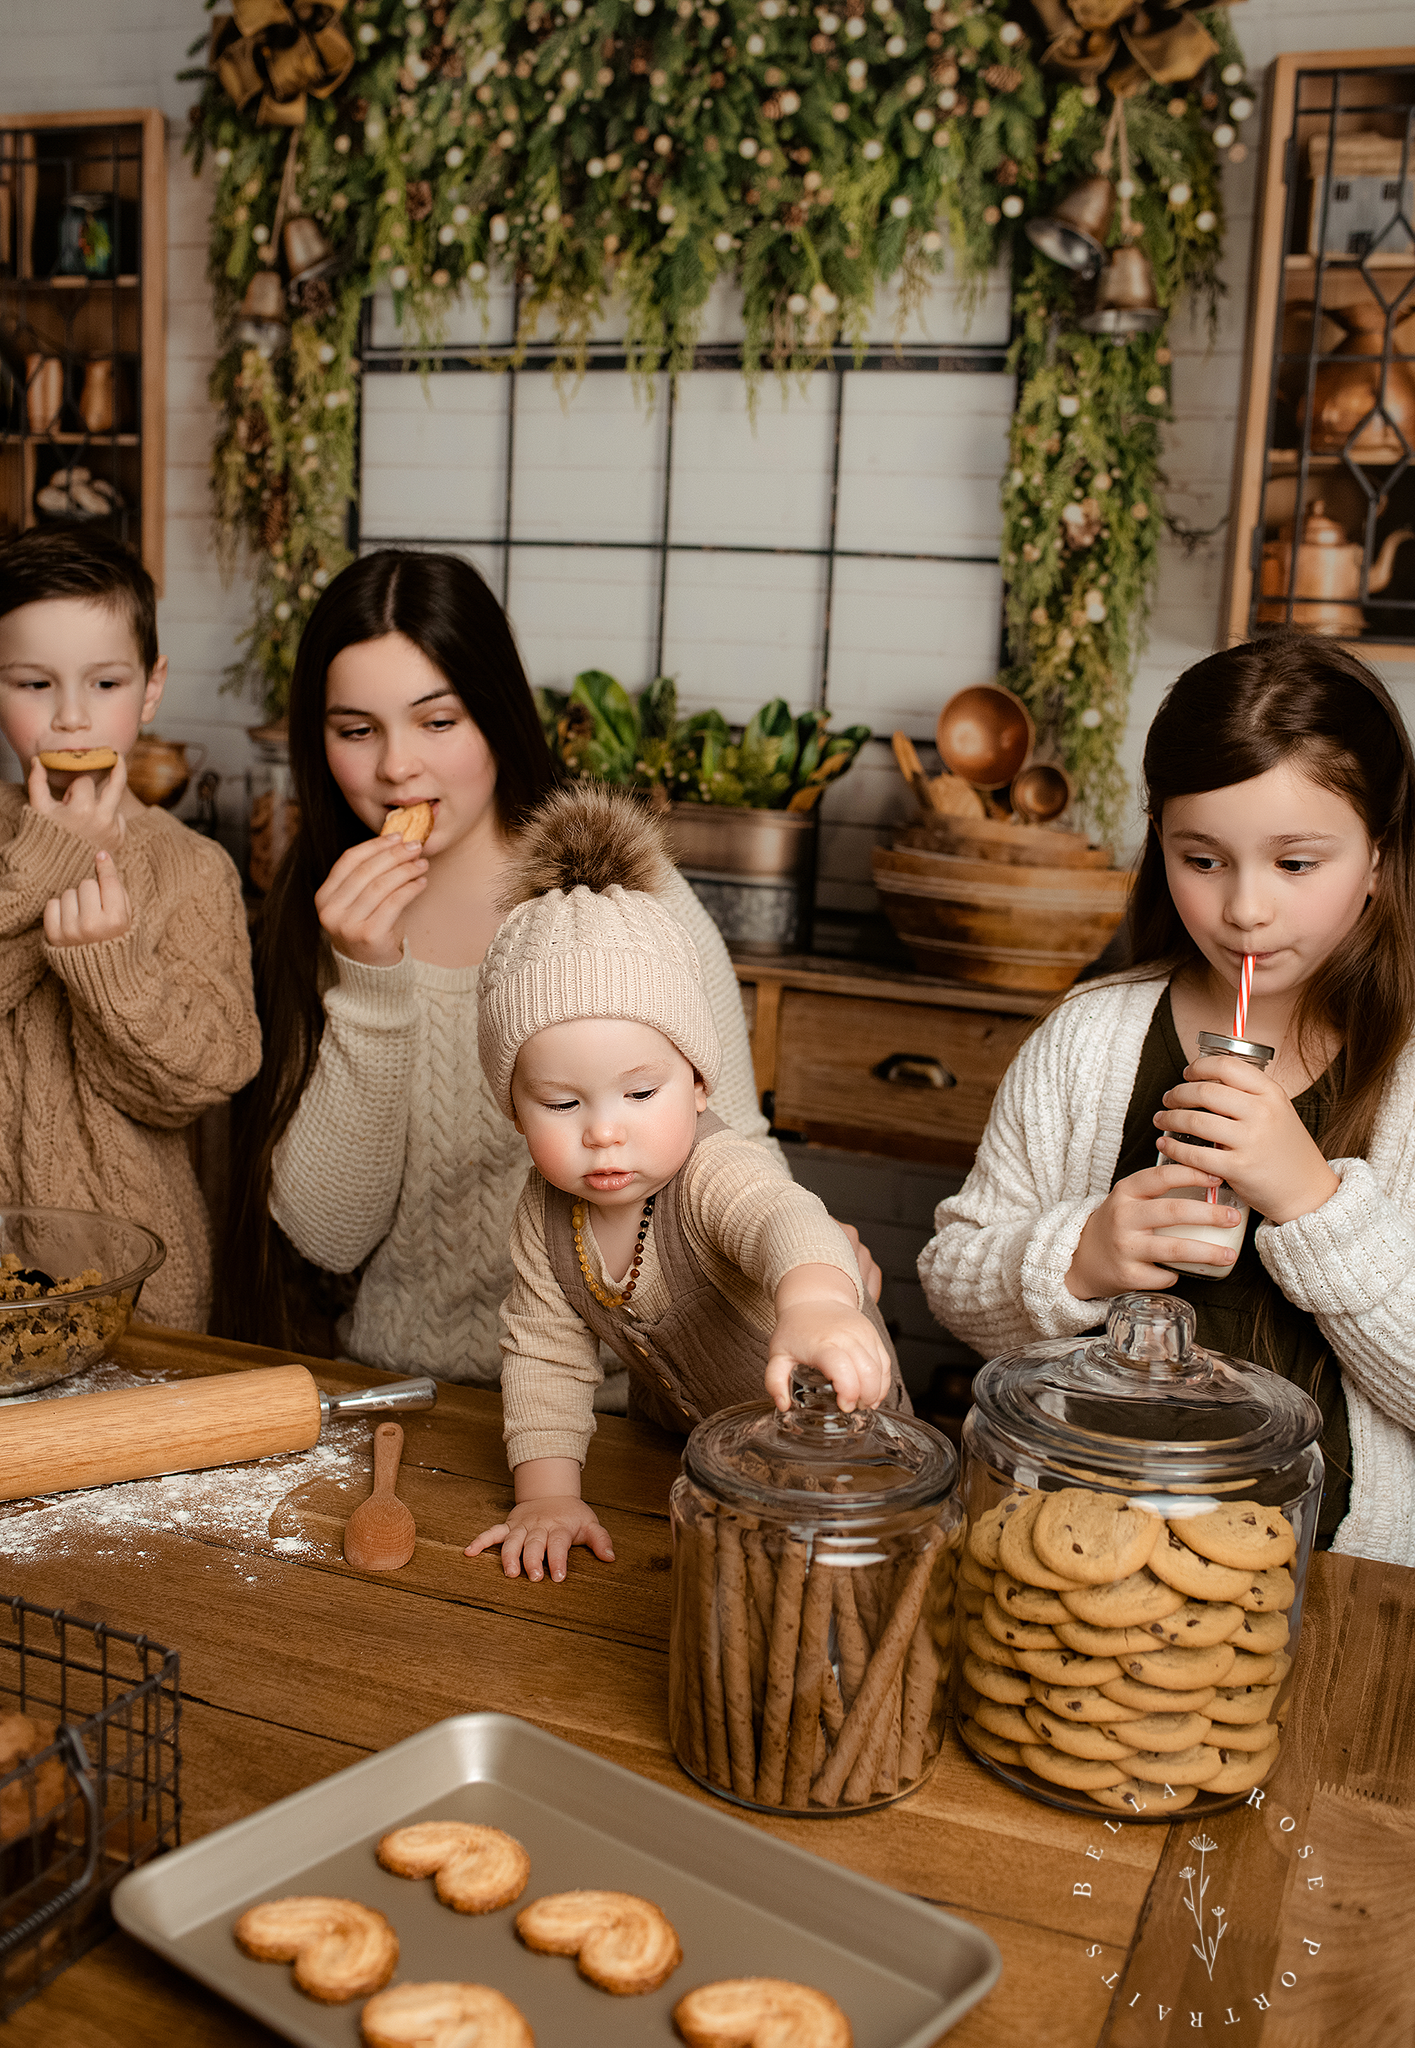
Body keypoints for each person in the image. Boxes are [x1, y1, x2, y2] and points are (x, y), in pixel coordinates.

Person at [228, 549, 878, 1373]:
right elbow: (328, 1236)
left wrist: (804, 1263)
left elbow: (733, 1145)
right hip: (406, 1385)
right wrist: (370, 982)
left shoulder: (623, 896)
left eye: (438, 722)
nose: (396, 766)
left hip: (625, 1397)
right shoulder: (319, 915)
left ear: (497, 714)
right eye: (357, 731)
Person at [918, 635, 1415, 1566]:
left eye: (1296, 864)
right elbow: (951, 1279)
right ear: (1160, 844)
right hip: (1078, 1539)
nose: (1245, 909)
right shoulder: (1087, 1039)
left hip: (1339, 1573)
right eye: (1203, 859)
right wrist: (1081, 1258)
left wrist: (1310, 1201)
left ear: (1379, 856)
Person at [466, 782, 906, 1583]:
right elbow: (544, 1356)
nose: (604, 1130)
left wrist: (814, 1305)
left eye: (640, 1093)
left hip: (838, 1458)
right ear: (514, 1109)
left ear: (699, 1084)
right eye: (561, 1103)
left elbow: (784, 1218)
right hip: (690, 1458)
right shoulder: (544, 1211)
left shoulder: (710, 1170)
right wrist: (547, 1497)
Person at [0, 529, 260, 1329]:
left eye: (105, 682)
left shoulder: (194, 868)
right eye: (34, 683)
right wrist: (46, 866)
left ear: (151, 689)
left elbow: (199, 1082)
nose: (72, 717)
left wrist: (111, 974)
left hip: (138, 1290)